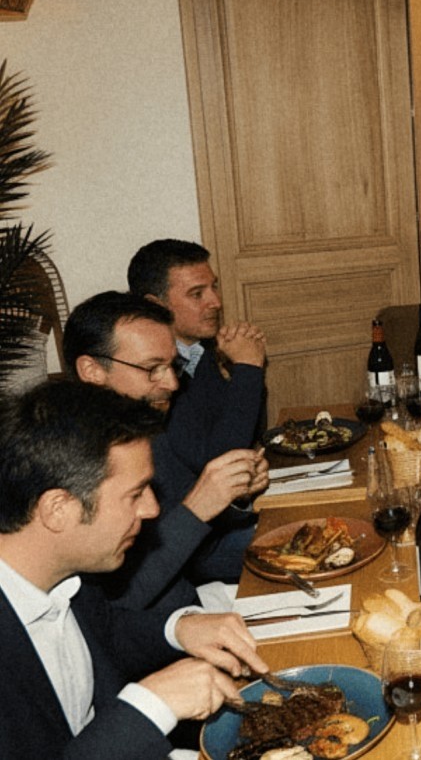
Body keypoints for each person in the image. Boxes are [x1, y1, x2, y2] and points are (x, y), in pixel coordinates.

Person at [0, 380, 268, 758]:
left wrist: (178, 628)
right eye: (135, 494)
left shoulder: (65, 574)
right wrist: (151, 704)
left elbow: (105, 635)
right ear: (57, 509)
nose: (152, 509)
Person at [65, 292, 268, 610]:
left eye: (172, 366)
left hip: (193, 600)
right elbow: (119, 602)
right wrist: (198, 508)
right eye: (152, 369)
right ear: (92, 370)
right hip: (156, 632)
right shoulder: (69, 461)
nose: (172, 383)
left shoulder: (145, 428)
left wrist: (235, 496)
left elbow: (194, 548)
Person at [127, 239, 266, 478]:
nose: (216, 302)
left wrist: (239, 372)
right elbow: (220, 463)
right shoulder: (154, 378)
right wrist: (248, 369)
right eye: (197, 294)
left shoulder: (199, 351)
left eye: (214, 287)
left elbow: (252, 433)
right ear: (155, 305)